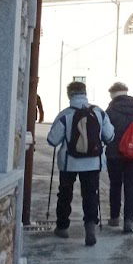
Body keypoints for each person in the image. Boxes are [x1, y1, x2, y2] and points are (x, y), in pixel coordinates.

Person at [47, 81, 114, 246]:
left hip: (69, 163)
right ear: (85, 93)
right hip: (93, 163)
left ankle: (62, 227)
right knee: (91, 194)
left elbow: (52, 140)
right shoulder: (99, 113)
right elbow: (110, 136)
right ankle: (90, 228)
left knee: (65, 193)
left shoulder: (65, 115)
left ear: (69, 95)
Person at [105, 81, 133, 234]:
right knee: (131, 186)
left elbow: (106, 134)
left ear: (113, 95)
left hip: (114, 155)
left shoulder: (110, 111)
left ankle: (114, 218)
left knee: (115, 185)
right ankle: (129, 221)